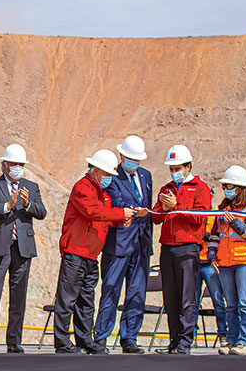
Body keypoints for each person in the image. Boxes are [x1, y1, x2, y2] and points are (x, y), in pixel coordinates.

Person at [54, 149, 133, 354]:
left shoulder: (104, 195)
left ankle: (84, 340)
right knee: (67, 299)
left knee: (86, 301)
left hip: (91, 255)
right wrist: (120, 213)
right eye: (107, 175)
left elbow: (104, 218)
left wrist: (120, 220)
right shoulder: (83, 188)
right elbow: (93, 212)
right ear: (96, 171)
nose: (109, 179)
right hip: (75, 252)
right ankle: (62, 342)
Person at [0, 144, 47, 353]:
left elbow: (42, 212)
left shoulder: (32, 186)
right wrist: (6, 207)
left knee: (18, 296)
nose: (18, 168)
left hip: (23, 248)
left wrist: (27, 204)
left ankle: (14, 341)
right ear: (4, 165)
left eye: (21, 164)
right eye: (14, 164)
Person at [93, 136, 153, 354]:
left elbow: (147, 203)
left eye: (137, 159)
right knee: (111, 290)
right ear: (122, 156)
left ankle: (129, 338)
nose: (134, 163)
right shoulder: (113, 176)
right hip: (118, 243)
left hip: (142, 244)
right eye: (130, 158)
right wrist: (135, 210)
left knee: (137, 292)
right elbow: (115, 202)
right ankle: (101, 337)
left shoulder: (146, 176)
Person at [151, 145, 211, 355]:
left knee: (187, 297)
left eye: (177, 168)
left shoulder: (200, 188)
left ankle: (186, 340)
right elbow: (155, 217)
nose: (174, 172)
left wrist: (176, 206)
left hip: (187, 249)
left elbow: (199, 218)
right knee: (170, 297)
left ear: (187, 167)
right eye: (171, 168)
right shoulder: (166, 188)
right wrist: (165, 208)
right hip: (167, 247)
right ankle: (174, 340)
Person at [207, 166, 246, 356]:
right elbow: (214, 236)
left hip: (245, 262)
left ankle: (244, 341)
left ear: (238, 188)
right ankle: (231, 340)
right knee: (230, 303)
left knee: (245, 302)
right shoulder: (223, 210)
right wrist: (212, 256)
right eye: (224, 186)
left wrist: (234, 222)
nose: (225, 189)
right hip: (225, 263)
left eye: (228, 186)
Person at [194, 187, 227, 348]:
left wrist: (205, 236)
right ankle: (190, 334)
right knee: (191, 301)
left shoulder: (216, 214)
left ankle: (223, 334)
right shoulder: (195, 212)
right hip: (194, 262)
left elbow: (219, 235)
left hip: (210, 263)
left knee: (218, 300)